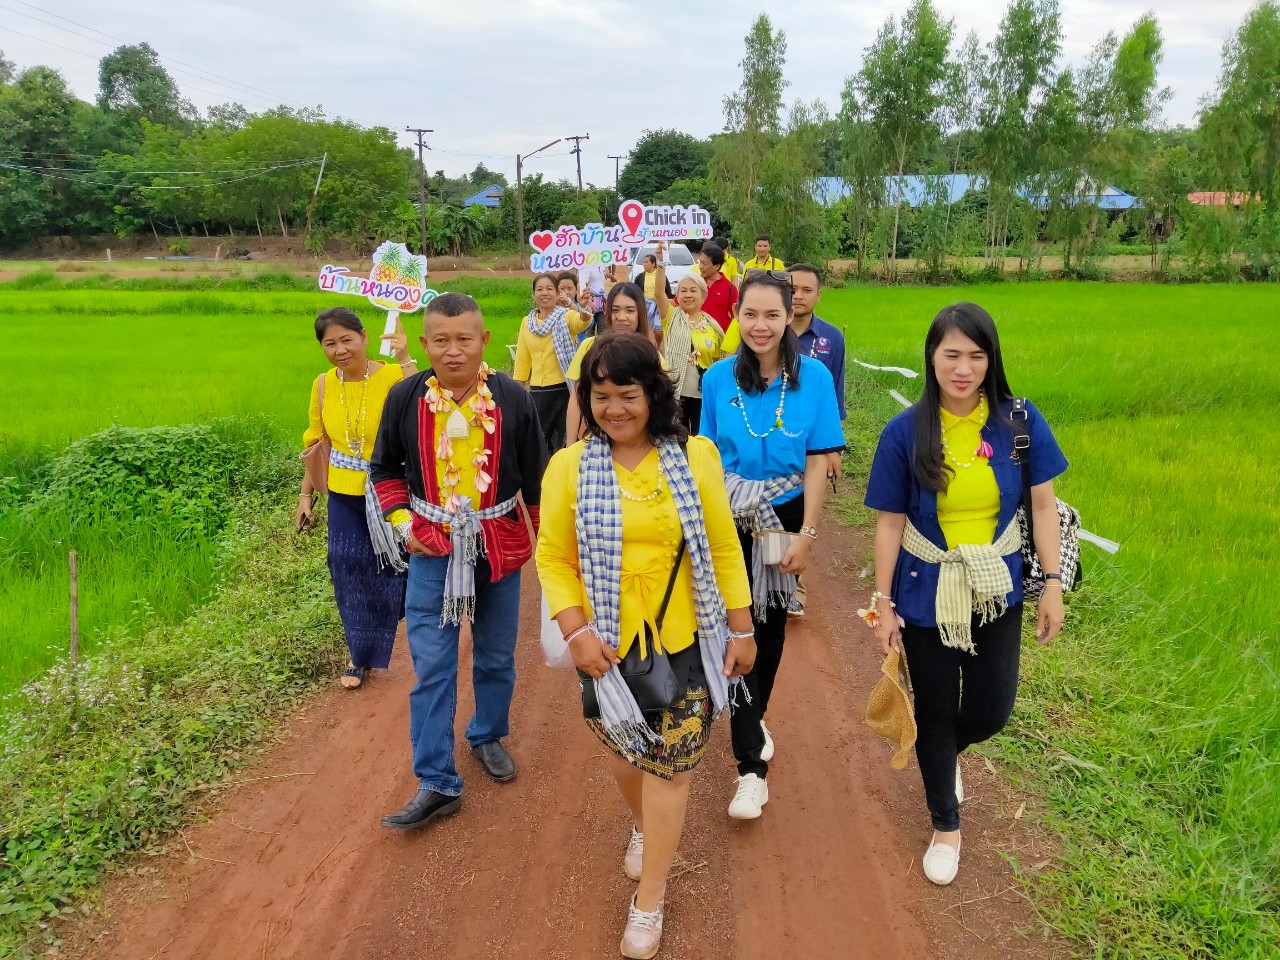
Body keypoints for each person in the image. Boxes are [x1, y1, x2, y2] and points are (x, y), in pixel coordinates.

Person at [537, 333, 756, 959]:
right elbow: (553, 557)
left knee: (672, 769)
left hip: (685, 638)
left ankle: (650, 899)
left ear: (652, 394)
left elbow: (720, 548)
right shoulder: (570, 467)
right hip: (603, 645)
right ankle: (642, 829)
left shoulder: (695, 457)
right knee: (625, 757)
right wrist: (575, 632)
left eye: (627, 395)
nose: (614, 409)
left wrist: (741, 629)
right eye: (600, 397)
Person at [863, 302, 1066, 886]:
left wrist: (1052, 584)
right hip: (926, 591)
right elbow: (889, 523)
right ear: (931, 356)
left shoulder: (1018, 422)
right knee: (934, 709)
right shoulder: (905, 433)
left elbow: (1044, 505)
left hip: (995, 587)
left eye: (976, 355)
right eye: (951, 354)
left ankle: (946, 752)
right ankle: (945, 825)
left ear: (990, 359)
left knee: (992, 708)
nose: (963, 367)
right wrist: (883, 602)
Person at [370, 293, 548, 831]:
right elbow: (384, 472)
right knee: (432, 668)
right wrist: (406, 528)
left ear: (483, 341)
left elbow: (537, 480)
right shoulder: (404, 397)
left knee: (496, 655)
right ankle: (436, 780)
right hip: (432, 548)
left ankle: (487, 734)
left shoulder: (513, 398)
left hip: (498, 546)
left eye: (464, 339)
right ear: (424, 344)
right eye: (441, 341)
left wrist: (547, 548)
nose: (453, 351)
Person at [699, 271, 845, 820]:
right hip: (729, 514)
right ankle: (750, 770)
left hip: (783, 514)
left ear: (790, 319)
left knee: (772, 629)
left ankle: (753, 714)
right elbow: (708, 460)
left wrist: (807, 534)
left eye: (772, 315)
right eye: (750, 315)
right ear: (737, 316)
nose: (760, 326)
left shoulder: (814, 380)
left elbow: (816, 461)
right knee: (734, 629)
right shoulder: (716, 380)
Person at [299, 307, 415, 690]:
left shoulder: (393, 377)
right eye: (329, 343)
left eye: (346, 339)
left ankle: (407, 624)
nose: (339, 350)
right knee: (346, 567)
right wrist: (306, 497)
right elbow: (319, 444)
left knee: (399, 565)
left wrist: (404, 358)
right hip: (344, 493)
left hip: (390, 489)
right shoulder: (322, 385)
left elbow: (422, 409)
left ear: (364, 336)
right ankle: (359, 654)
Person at [787, 263, 847, 618]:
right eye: (793, 288)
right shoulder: (771, 331)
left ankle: (796, 586)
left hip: (815, 442)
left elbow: (836, 395)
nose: (799, 295)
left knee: (805, 511)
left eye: (807, 290)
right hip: (777, 435)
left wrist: (834, 447)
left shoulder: (831, 339)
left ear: (818, 295)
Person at [564, 282, 664, 444]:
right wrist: (570, 443)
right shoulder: (589, 347)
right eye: (615, 310)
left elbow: (661, 404)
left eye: (630, 310)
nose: (621, 317)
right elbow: (576, 398)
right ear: (607, 311)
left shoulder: (651, 355)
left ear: (641, 313)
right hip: (592, 439)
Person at [514, 273, 593, 452]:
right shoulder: (527, 323)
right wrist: (516, 394)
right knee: (538, 445)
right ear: (533, 294)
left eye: (550, 289)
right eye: (539, 289)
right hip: (537, 394)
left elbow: (583, 323)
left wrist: (582, 307)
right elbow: (522, 361)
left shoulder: (566, 316)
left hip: (563, 392)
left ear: (557, 293)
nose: (544, 293)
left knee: (564, 445)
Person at [653, 244, 723, 433]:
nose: (688, 295)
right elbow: (659, 293)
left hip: (704, 396)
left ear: (703, 296)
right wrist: (660, 262)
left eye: (693, 290)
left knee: (702, 439)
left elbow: (717, 362)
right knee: (677, 437)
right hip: (676, 394)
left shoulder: (713, 327)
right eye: (683, 290)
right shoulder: (672, 317)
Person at [694, 242, 738, 333]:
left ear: (717, 266)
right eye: (700, 262)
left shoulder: (730, 288)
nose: (701, 267)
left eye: (704, 263)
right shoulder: (694, 283)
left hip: (720, 340)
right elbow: (675, 303)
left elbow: (737, 317)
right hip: (696, 338)